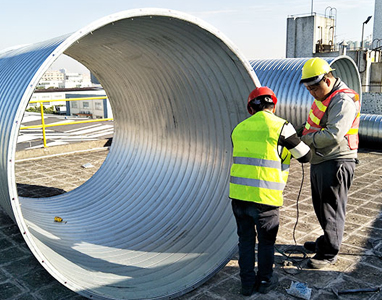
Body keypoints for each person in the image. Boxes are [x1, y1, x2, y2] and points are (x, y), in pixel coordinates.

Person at [229, 86, 311, 296]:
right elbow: (305, 156)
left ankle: (246, 285)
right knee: (266, 243)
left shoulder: (238, 128)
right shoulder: (281, 126)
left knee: (245, 241)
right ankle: (265, 281)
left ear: (251, 108)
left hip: (239, 197)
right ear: (273, 106)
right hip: (265, 198)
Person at [299, 57, 361, 269]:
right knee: (322, 206)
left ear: (327, 79)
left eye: (314, 88)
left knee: (331, 208)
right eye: (308, 89)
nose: (312, 93)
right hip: (322, 159)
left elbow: (333, 135)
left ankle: (328, 253)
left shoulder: (342, 101)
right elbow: (313, 125)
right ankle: (325, 241)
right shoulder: (325, 98)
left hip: (336, 161)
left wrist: (304, 140)